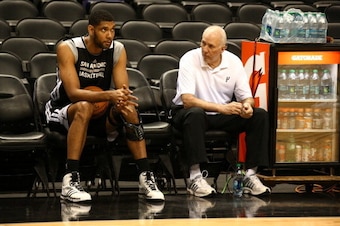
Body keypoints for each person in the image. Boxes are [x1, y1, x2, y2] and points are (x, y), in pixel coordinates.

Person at [45, 10, 164, 202]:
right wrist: (109, 95)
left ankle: (145, 178)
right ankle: (71, 180)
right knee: (84, 106)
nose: (109, 35)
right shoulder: (68, 48)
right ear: (91, 29)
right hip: (65, 109)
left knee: (128, 109)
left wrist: (119, 102)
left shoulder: (117, 49)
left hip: (98, 112)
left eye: (112, 30)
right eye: (104, 30)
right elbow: (74, 93)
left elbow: (121, 90)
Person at [171, 25, 271, 197]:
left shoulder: (234, 62)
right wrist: (222, 108)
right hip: (190, 113)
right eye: (203, 44)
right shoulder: (189, 58)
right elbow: (187, 100)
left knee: (259, 115)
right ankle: (194, 177)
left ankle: (250, 175)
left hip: (221, 114)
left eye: (211, 46)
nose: (205, 49)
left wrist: (247, 106)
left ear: (223, 49)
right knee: (195, 113)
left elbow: (247, 96)